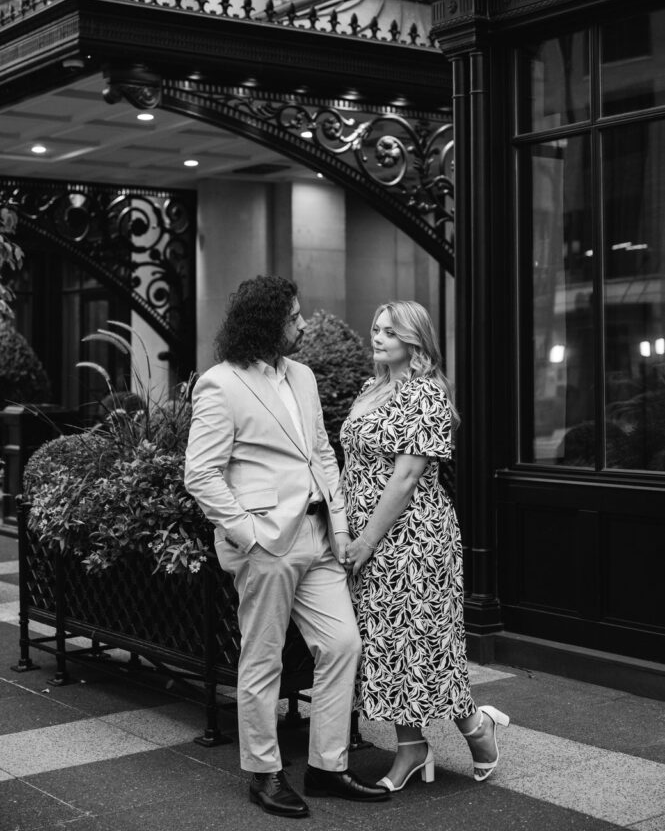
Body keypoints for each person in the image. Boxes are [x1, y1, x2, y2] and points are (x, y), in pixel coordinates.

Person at [185, 276, 390, 818]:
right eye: (294, 317)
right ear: (266, 323)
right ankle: (263, 773)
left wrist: (341, 527)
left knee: (343, 644)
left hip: (320, 537)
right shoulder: (220, 384)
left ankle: (327, 766)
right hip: (266, 545)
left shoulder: (302, 375)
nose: (303, 324)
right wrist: (248, 534)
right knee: (263, 659)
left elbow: (322, 452)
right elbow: (200, 474)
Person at [340, 300, 509, 792]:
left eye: (390, 331)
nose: (379, 336)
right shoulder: (370, 388)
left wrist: (369, 537)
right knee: (389, 644)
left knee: (427, 643)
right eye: (375, 327)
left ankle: (477, 729)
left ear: (414, 340)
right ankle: (412, 746)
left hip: (415, 537)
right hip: (368, 537)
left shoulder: (426, 393)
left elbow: (409, 473)